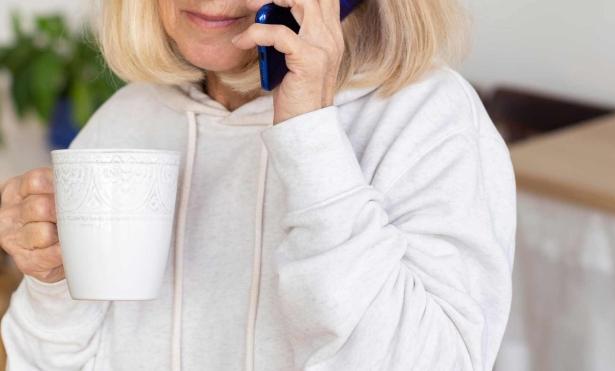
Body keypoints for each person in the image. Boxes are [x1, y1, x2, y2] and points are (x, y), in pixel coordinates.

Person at [0, 0, 516, 370]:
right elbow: (40, 361)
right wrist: (54, 281)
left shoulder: (427, 118)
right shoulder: (127, 119)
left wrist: (309, 136)